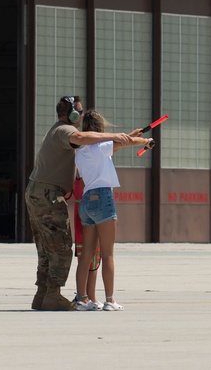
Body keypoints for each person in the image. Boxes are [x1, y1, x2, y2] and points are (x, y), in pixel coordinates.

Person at [25, 96, 144, 311]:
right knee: (61, 247)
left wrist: (125, 138)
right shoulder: (66, 131)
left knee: (46, 248)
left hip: (40, 193)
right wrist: (117, 136)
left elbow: (100, 146)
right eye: (78, 112)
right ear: (69, 114)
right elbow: (84, 138)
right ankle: (52, 295)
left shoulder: (65, 135)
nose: (80, 115)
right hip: (48, 195)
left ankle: (43, 294)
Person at [73, 109, 154, 311]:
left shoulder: (80, 151)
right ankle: (110, 300)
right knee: (107, 254)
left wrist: (132, 135)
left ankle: (81, 299)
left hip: (86, 202)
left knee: (86, 255)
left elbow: (118, 143)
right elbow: (120, 144)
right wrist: (145, 142)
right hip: (103, 198)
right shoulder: (102, 148)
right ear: (101, 129)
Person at [71, 175, 102, 309]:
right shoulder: (85, 163)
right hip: (89, 208)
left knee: (93, 257)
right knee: (88, 255)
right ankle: (84, 295)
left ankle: (89, 295)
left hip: (88, 207)